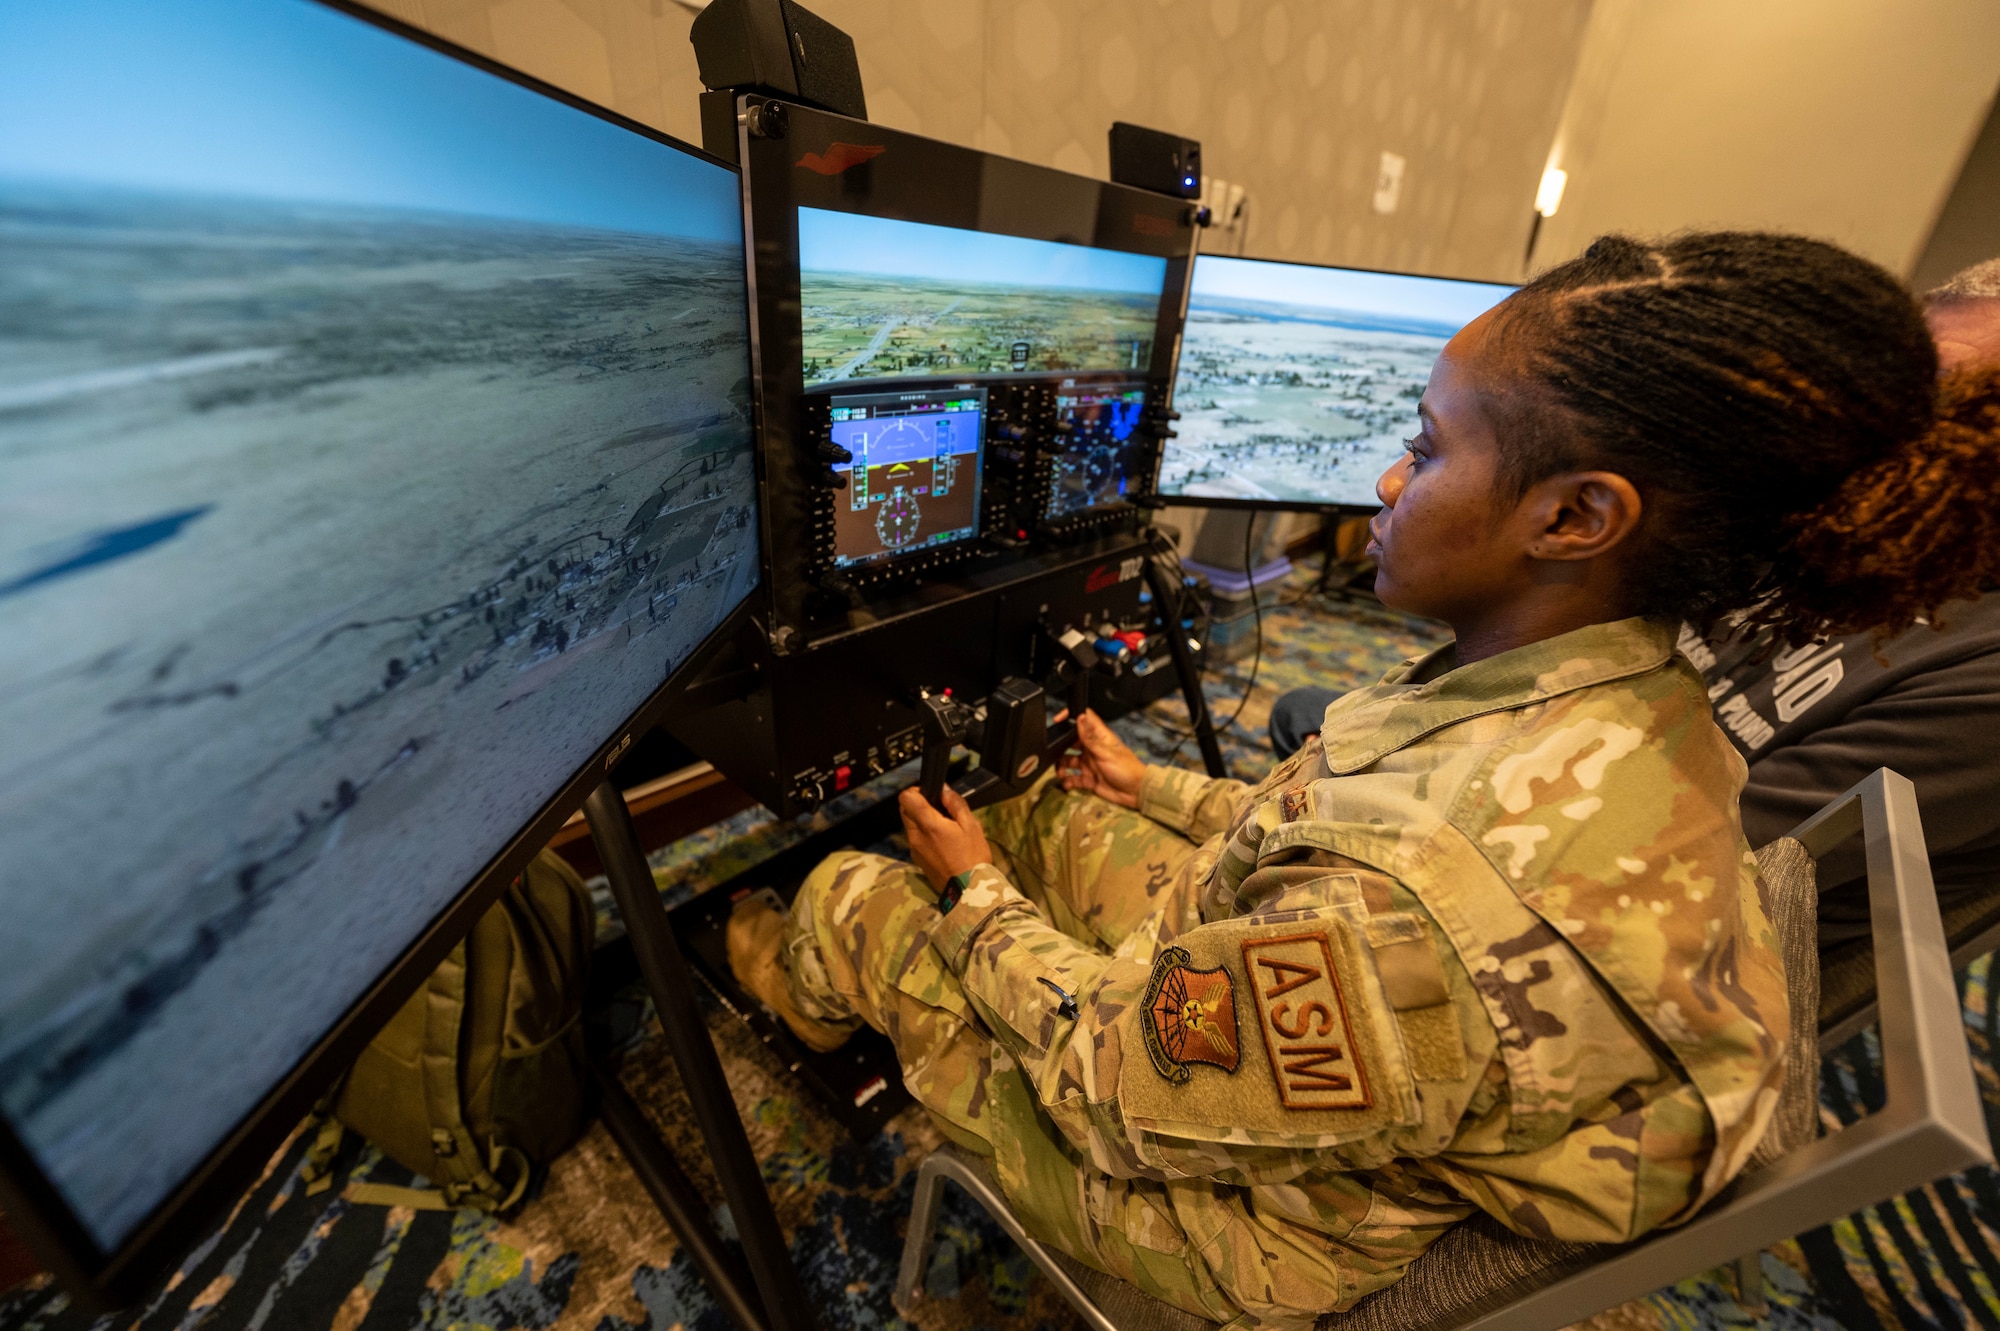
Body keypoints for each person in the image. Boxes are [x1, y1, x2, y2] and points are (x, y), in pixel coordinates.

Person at [728, 233, 2000, 1328]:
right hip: (1333, 1056)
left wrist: (972, 903)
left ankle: (804, 985)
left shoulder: (1413, 915)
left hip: (1233, 1212)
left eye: (1424, 447)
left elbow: (1115, 1089)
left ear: (1575, 517)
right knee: (1035, 802)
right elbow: (1342, 815)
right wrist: (1151, 788)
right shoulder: (1621, 692)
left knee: (854, 884)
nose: (1387, 483)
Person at [1275, 256, 2000, 947]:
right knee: (1329, 734)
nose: (1890, 449)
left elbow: (1715, 855)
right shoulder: (1795, 540)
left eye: (1954, 412)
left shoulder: (1976, 679)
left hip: (1609, 879)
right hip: (1557, 750)